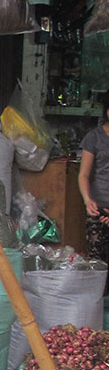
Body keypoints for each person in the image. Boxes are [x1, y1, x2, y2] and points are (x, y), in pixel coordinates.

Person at [78, 95, 109, 270]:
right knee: (97, 263)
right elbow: (83, 175)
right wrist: (87, 200)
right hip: (98, 208)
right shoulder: (94, 137)